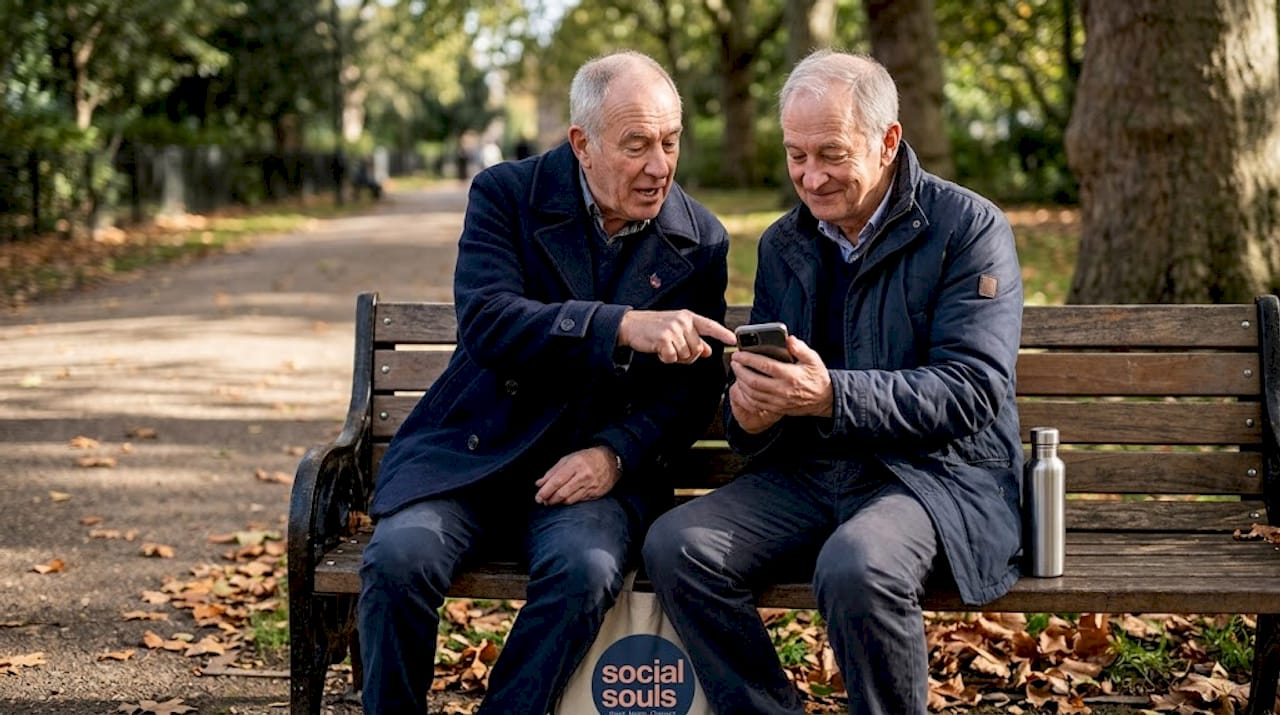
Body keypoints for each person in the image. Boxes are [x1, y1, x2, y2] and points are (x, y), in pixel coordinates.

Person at [643, 50, 1024, 715]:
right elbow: (759, 403)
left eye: (832, 154)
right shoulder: (783, 243)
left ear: (888, 141)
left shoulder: (968, 228)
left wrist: (830, 395)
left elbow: (973, 388)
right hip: (813, 473)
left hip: (928, 476)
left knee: (857, 566)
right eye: (796, 156)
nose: (811, 178)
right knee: (678, 546)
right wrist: (751, 411)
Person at [358, 50, 736, 715]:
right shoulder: (506, 194)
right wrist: (621, 326)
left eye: (670, 142)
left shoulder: (699, 239)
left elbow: (690, 392)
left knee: (585, 570)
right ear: (581, 144)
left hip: (591, 469)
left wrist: (615, 453)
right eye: (637, 145)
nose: (659, 167)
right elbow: (489, 321)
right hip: (474, 453)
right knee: (399, 558)